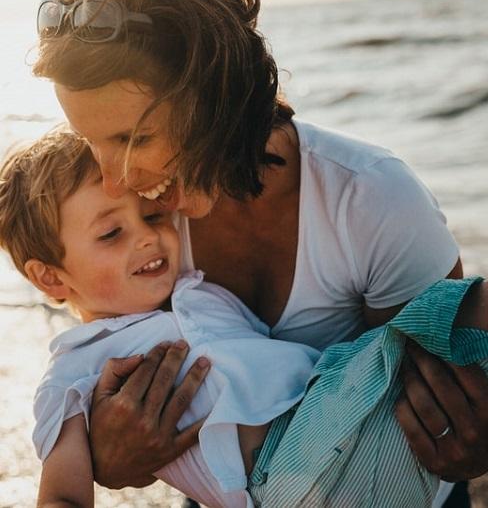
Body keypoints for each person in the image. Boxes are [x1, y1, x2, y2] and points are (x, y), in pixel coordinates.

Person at [32, 0, 488, 506]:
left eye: (136, 139)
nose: (116, 179)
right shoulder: (136, 226)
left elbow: (440, 399)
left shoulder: (368, 199)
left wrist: (473, 437)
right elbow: (135, 389)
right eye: (91, 142)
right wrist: (116, 459)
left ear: (216, 96)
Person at [0, 128, 487, 508]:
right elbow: (62, 493)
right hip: (288, 471)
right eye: (111, 234)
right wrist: (102, 462)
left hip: (346, 430)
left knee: (454, 323)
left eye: (151, 217)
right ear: (49, 278)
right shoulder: (75, 369)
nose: (148, 238)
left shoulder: (200, 292)